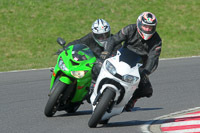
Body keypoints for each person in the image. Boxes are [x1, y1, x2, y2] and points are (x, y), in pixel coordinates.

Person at [105, 12, 162, 111]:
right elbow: (114, 39)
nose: (147, 29)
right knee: (100, 64)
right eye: (145, 26)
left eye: (150, 27)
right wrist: (106, 52)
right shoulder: (130, 29)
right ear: (139, 24)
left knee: (147, 89)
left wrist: (145, 72)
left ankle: (132, 99)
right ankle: (93, 85)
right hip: (123, 56)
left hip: (140, 65)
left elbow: (153, 59)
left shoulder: (157, 41)